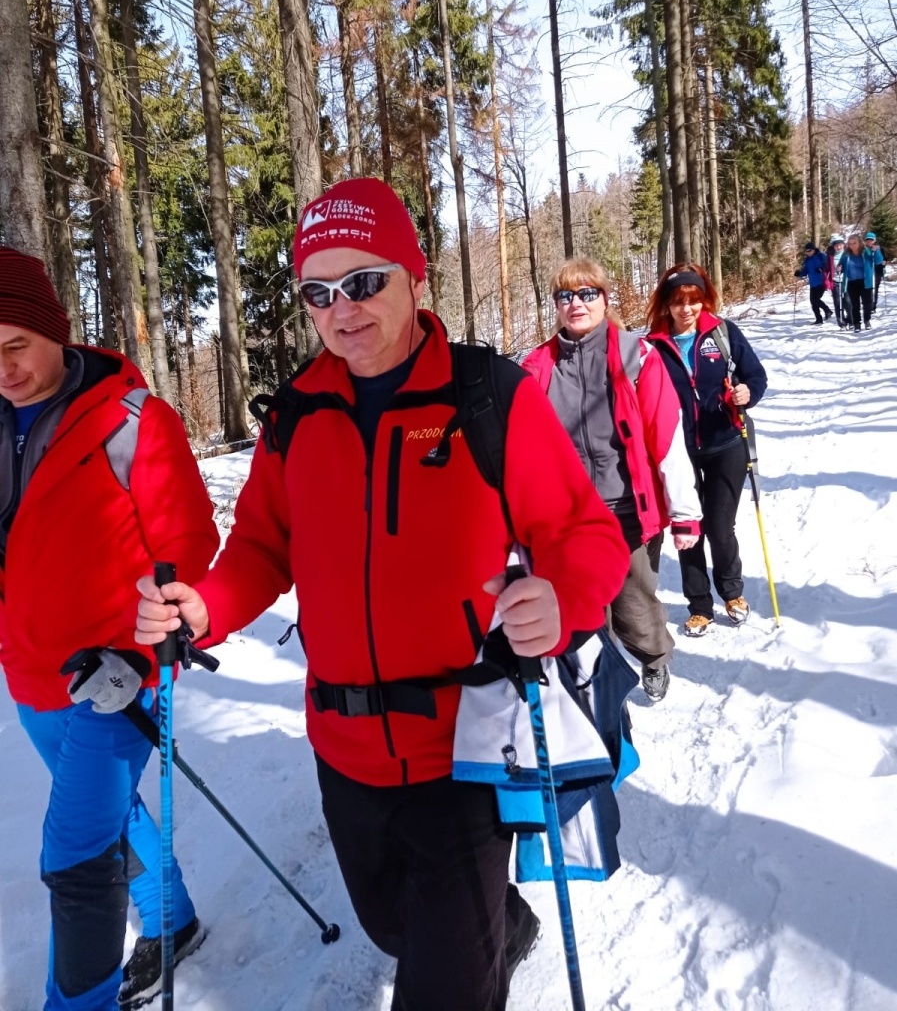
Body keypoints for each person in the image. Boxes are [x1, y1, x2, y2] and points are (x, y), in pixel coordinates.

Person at [135, 177, 630, 1011]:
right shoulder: (296, 414)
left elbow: (585, 534)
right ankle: (497, 929)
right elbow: (262, 544)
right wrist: (207, 605)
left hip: (461, 747)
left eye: (364, 281)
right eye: (318, 292)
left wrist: (562, 595)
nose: (343, 309)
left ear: (414, 274)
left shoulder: (484, 396)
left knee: (441, 988)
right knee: (393, 929)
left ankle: (478, 945)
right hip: (342, 745)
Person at [0, 247, 219, 1011]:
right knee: (111, 813)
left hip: (116, 680)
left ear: (55, 332)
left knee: (75, 858)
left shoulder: (131, 420)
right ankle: (174, 920)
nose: (4, 369)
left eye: (14, 346)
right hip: (31, 677)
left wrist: (147, 631)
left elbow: (191, 540)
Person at [521, 258, 702, 704]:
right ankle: (601, 689)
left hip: (627, 510)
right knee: (584, 615)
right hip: (569, 519)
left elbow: (666, 437)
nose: (576, 304)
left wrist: (684, 514)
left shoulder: (636, 356)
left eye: (586, 294)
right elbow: (521, 452)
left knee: (634, 608)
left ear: (604, 299)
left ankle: (655, 656)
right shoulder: (537, 367)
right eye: (566, 296)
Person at [645, 264, 768, 638]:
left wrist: (747, 394)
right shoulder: (650, 347)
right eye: (678, 301)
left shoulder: (723, 333)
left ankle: (731, 592)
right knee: (688, 527)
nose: (687, 308)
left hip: (725, 443)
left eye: (694, 300)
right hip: (677, 451)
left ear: (704, 300)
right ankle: (699, 605)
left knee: (719, 524)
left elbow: (756, 376)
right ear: (665, 305)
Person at [838, 232, 874, 332]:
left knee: (867, 303)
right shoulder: (846, 254)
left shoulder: (866, 251)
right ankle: (857, 324)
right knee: (855, 304)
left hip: (865, 281)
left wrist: (877, 252)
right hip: (852, 282)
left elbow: (877, 260)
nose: (852, 245)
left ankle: (867, 320)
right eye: (850, 243)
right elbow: (840, 264)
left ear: (859, 243)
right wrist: (839, 267)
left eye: (854, 243)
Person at [794, 241, 833, 325]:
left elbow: (827, 265)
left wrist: (821, 269)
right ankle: (819, 319)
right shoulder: (807, 260)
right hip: (813, 283)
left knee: (815, 299)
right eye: (806, 251)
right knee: (813, 302)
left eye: (809, 251)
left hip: (821, 282)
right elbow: (805, 270)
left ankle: (827, 310)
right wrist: (799, 273)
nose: (808, 253)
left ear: (814, 250)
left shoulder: (821, 256)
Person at [826, 234, 847, 327]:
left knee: (848, 302)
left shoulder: (847, 254)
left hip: (846, 281)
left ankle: (850, 319)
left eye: (840, 245)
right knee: (838, 302)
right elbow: (826, 269)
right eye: (836, 245)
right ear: (833, 246)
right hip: (835, 281)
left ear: (843, 245)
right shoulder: (830, 256)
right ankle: (841, 321)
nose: (838, 247)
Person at [864, 231, 886, 312]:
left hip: (877, 272)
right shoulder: (864, 250)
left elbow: (883, 259)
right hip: (867, 273)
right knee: (867, 290)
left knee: (874, 289)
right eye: (868, 240)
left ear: (874, 240)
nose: (869, 242)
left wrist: (884, 263)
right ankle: (867, 305)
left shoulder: (879, 249)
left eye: (871, 240)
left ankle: (873, 306)